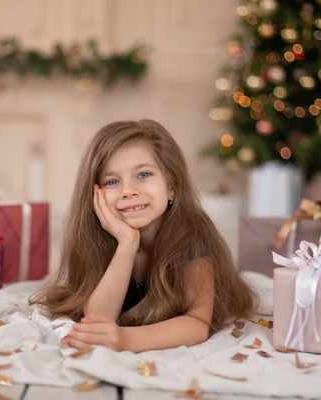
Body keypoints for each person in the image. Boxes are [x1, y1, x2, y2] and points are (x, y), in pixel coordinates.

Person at [30, 119, 256, 353]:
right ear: (95, 194)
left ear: (171, 186)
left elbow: (197, 324)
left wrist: (125, 339)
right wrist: (126, 243)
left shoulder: (193, 232)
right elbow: (97, 321)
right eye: (112, 181)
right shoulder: (94, 237)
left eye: (144, 174)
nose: (128, 191)